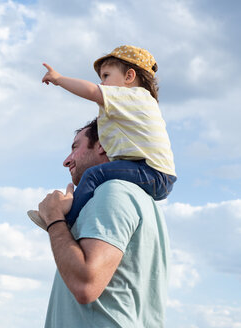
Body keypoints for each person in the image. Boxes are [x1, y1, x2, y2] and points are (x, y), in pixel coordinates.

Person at [38, 119, 170, 327]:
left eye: (75, 147)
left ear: (103, 144)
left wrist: (54, 218)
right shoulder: (140, 200)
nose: (66, 160)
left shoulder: (113, 192)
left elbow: (85, 285)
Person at [29, 45, 176, 230]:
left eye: (106, 76)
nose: (102, 83)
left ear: (129, 77)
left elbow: (91, 92)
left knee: (93, 174)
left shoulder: (132, 95)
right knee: (101, 178)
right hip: (154, 173)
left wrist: (59, 79)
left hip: (152, 172)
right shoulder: (137, 104)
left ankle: (68, 222)